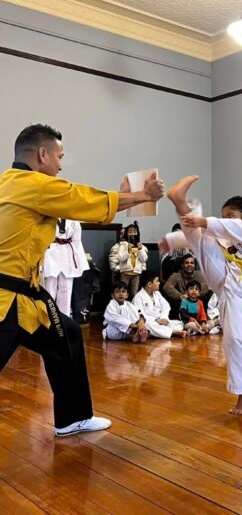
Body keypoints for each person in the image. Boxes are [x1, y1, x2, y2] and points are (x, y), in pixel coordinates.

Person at [0, 123, 164, 437]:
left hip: (26, 297)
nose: (61, 165)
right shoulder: (34, 184)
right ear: (43, 154)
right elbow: (83, 200)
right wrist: (143, 194)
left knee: (69, 336)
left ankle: (72, 418)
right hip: (7, 300)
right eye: (59, 156)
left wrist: (124, 196)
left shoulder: (8, 182)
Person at [163, 176, 242, 415]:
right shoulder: (227, 233)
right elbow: (200, 235)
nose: (225, 221)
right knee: (200, 239)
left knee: (235, 339)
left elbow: (227, 227)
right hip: (227, 281)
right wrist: (171, 240)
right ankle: (179, 200)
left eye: (230, 216)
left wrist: (203, 219)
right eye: (223, 217)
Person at [43, 219, 89, 317]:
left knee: (66, 291)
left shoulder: (73, 220)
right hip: (50, 253)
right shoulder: (46, 216)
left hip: (67, 255)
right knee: (49, 290)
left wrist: (78, 260)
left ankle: (64, 319)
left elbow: (77, 241)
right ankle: (48, 319)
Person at [134, 271, 187, 338]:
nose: (159, 283)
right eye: (157, 281)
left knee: (180, 323)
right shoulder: (138, 297)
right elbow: (140, 315)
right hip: (151, 321)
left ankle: (164, 331)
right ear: (150, 284)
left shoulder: (157, 293)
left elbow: (166, 306)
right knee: (148, 325)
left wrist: (163, 318)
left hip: (161, 321)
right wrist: (156, 320)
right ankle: (173, 332)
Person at [118, 222, 148, 299]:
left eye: (135, 231)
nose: (133, 234)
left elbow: (144, 259)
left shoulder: (140, 246)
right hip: (125, 273)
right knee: (123, 292)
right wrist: (128, 251)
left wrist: (140, 249)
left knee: (135, 294)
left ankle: (134, 309)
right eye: (130, 232)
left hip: (136, 274)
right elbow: (121, 258)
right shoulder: (123, 245)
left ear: (138, 233)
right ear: (126, 233)